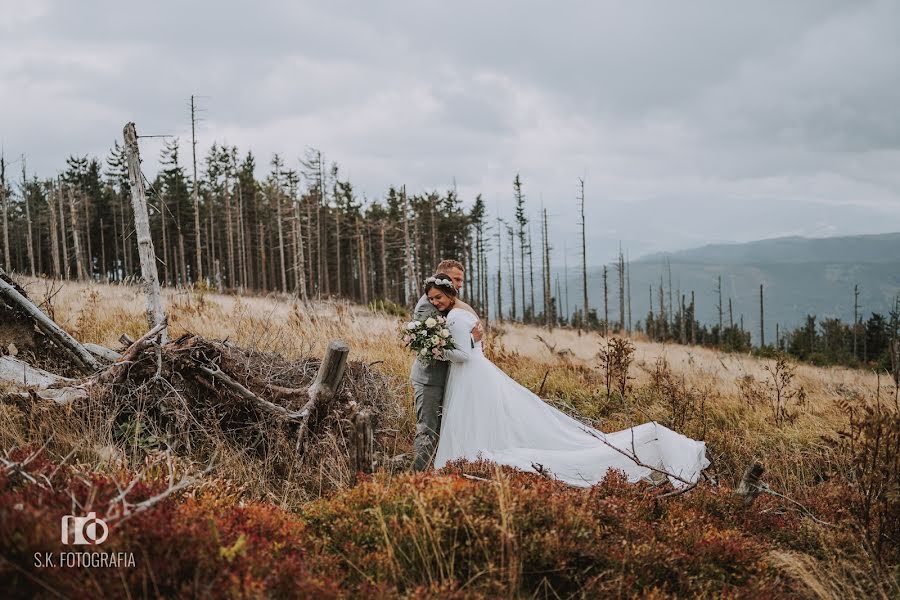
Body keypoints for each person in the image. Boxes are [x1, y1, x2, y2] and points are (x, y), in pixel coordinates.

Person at [424, 273, 709, 488]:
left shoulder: (455, 318)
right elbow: (471, 348)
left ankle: (465, 464)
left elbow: (462, 353)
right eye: (432, 299)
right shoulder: (457, 314)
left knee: (470, 417)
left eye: (438, 297)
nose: (435, 302)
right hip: (471, 374)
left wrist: (438, 349)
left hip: (470, 374)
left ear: (450, 294)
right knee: (474, 417)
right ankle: (466, 463)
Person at [410, 260, 483, 471]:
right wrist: (470, 341)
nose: (460, 284)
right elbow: (429, 348)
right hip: (429, 379)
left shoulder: (452, 304)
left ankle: (440, 472)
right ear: (443, 277)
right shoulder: (428, 305)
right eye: (456, 279)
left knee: (445, 429)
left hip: (451, 378)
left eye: (461, 280)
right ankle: (417, 477)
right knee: (427, 430)